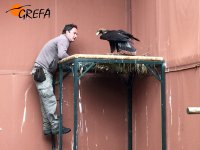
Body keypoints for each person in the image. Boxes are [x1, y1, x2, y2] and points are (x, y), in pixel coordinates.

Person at [32, 24, 78, 136]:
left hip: (40, 72)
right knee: (50, 100)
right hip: (42, 72)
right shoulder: (63, 39)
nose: (76, 36)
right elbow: (62, 54)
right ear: (67, 32)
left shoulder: (60, 40)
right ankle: (56, 127)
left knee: (45, 102)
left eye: (76, 34)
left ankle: (47, 128)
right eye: (74, 33)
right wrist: (73, 61)